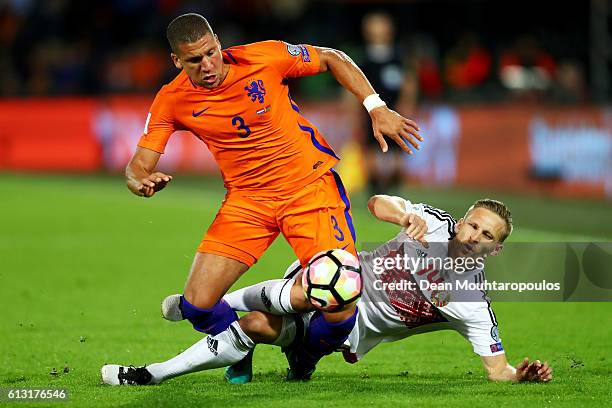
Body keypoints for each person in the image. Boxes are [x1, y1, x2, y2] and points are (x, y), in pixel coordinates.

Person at [124, 13, 422, 378]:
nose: (207, 65)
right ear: (176, 61)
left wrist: (376, 107)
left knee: (342, 301)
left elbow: (331, 57)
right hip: (248, 202)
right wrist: (139, 179)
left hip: (309, 190)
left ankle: (304, 356)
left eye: (211, 52)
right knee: (198, 306)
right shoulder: (172, 99)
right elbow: (139, 163)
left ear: (218, 42)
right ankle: (237, 348)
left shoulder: (262, 57)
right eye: (194, 60)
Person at [102, 196, 553, 385]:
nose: (474, 235)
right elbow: (379, 202)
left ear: (493, 251)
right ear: (463, 219)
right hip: (329, 281)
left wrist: (519, 376)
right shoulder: (433, 222)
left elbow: (497, 369)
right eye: (474, 223)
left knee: (264, 323)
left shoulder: (471, 303)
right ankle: (156, 368)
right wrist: (400, 217)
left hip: (344, 332)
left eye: (488, 235)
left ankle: (197, 316)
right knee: (284, 306)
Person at [359, 12, 417, 194]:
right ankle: (374, 185)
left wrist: (407, 103)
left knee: (398, 146)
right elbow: (352, 82)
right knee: (370, 146)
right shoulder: (364, 59)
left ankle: (395, 183)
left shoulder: (398, 57)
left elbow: (409, 82)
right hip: (370, 110)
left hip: (394, 109)